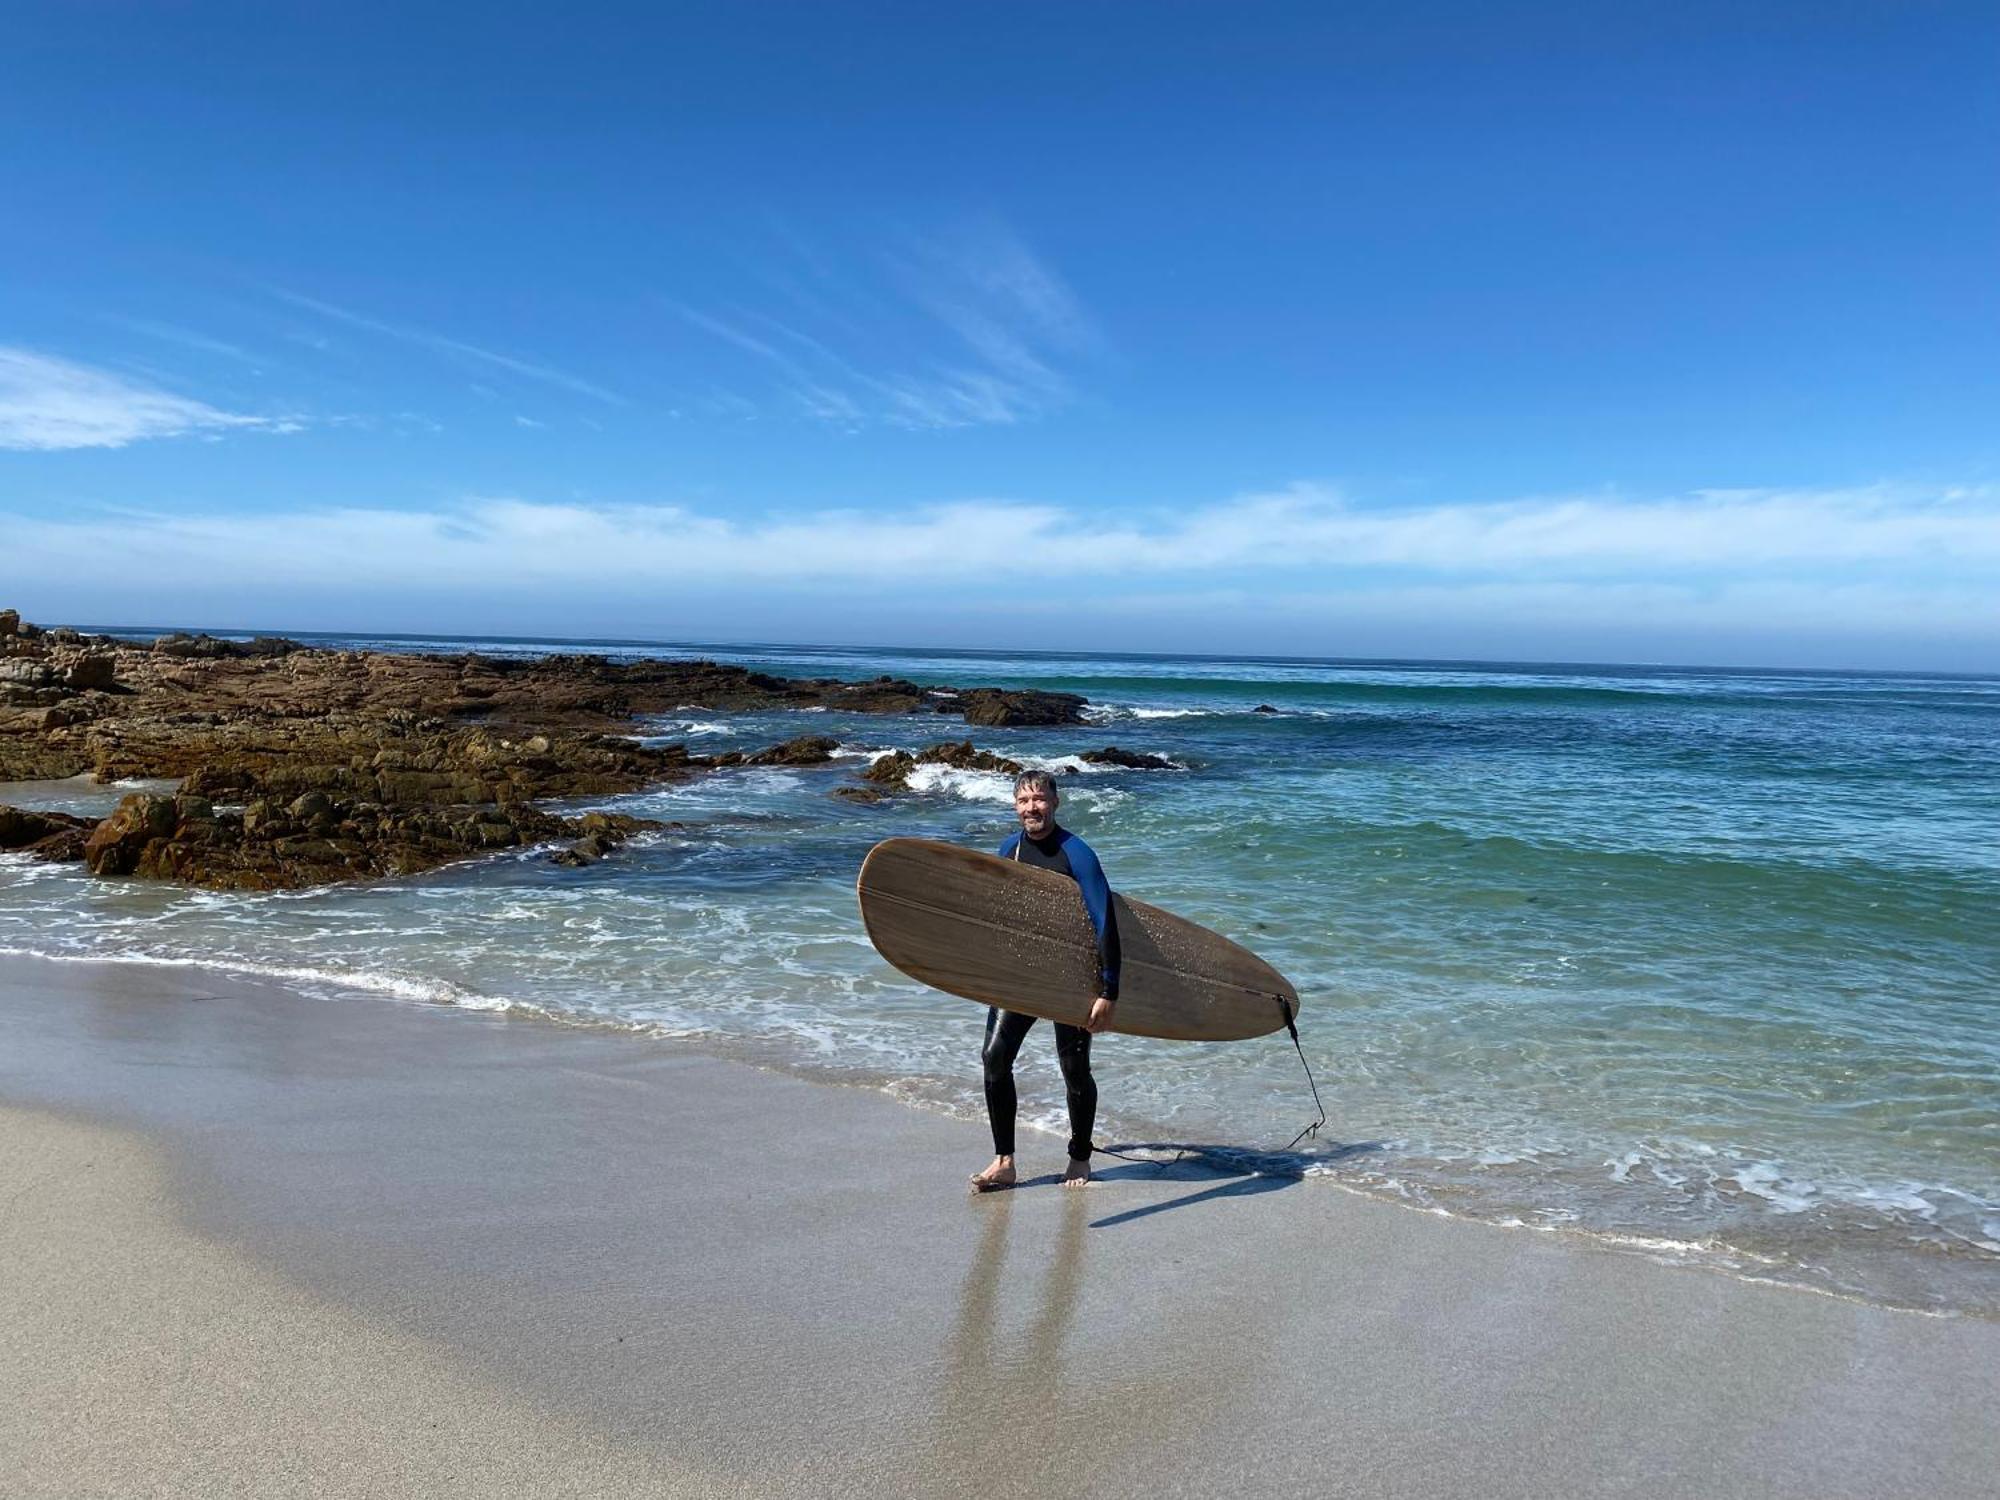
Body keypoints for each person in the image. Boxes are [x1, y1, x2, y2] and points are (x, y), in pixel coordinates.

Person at [970, 770, 1121, 1192]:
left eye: (1039, 799)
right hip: (1021, 977)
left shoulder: (1077, 853)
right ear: (1014, 806)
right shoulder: (1009, 849)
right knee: (995, 1058)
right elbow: (1000, 916)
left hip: (1071, 980)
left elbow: (1104, 921)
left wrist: (1108, 991)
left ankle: (1080, 1156)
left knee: (1074, 1070)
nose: (1031, 808)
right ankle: (1004, 1162)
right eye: (1023, 801)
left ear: (1055, 802)